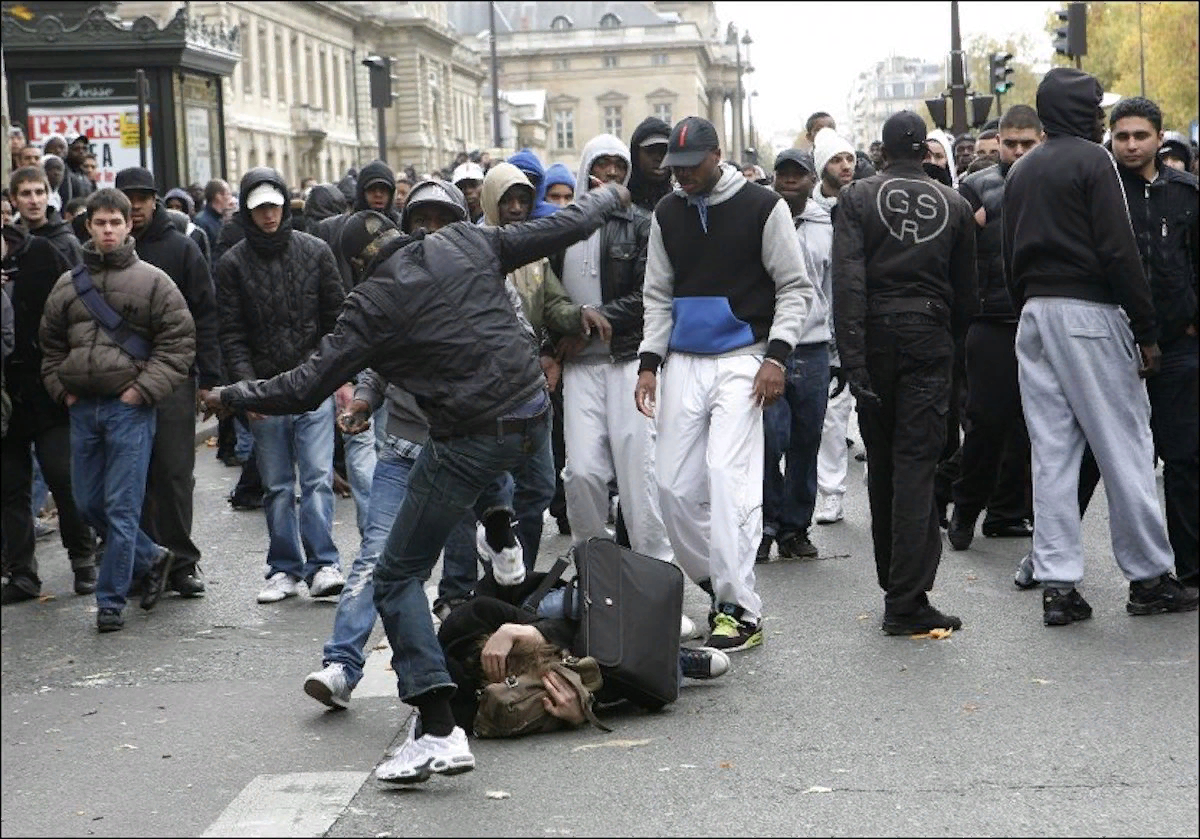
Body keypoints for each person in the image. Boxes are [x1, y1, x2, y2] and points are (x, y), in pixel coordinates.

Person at [203, 179, 632, 784]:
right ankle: (498, 527)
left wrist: (228, 394)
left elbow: (303, 386)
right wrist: (606, 197)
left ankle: (437, 729)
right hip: (533, 415)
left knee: (397, 573)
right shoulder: (464, 241)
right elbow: (559, 228)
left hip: (473, 433)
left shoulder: (369, 305)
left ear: (356, 265)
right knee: (465, 466)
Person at [1002, 68, 1197, 625]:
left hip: (1035, 314)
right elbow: (1119, 250)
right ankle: (1149, 578)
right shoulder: (1095, 161)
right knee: (1125, 444)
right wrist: (1146, 330)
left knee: (1054, 453)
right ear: (1080, 111)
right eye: (1094, 107)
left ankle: (1058, 585)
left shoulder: (1022, 169)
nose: (1099, 117)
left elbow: (1008, 254)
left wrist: (1032, 309)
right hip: (1090, 311)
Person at [635, 116, 815, 652]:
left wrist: (776, 358)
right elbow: (657, 296)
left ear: (718, 157)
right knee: (668, 488)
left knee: (727, 476)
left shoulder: (764, 207)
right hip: (684, 360)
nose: (681, 177)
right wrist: (648, 362)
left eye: (691, 167)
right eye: (675, 168)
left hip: (744, 357)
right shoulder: (667, 213)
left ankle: (741, 608)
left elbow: (794, 288)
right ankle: (718, 584)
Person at [831, 110, 977, 636]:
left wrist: (853, 359)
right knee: (917, 464)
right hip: (929, 338)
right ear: (924, 151)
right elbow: (967, 292)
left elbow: (848, 283)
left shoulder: (856, 198)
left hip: (874, 337)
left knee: (886, 466)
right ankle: (907, 597)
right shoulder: (956, 205)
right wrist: (953, 357)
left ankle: (894, 584)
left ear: (883, 150)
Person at [39, 188, 195, 632]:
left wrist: (142, 391)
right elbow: (48, 346)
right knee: (88, 503)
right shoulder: (67, 285)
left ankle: (110, 603)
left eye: (115, 223)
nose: (107, 231)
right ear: (88, 226)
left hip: (129, 409)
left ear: (129, 226)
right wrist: (62, 390)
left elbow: (179, 343)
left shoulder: (154, 281)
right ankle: (153, 556)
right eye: (100, 223)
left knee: (122, 507)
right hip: (82, 408)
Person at [214, 168, 348, 605]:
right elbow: (231, 333)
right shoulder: (233, 263)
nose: (268, 215)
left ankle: (324, 563)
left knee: (316, 479)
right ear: (247, 211)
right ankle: (284, 568)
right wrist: (247, 389)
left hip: (312, 385)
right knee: (275, 486)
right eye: (259, 208)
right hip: (266, 393)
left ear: (284, 204)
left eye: (273, 205)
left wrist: (332, 375)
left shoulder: (316, 251)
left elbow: (336, 319)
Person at [549, 134, 676, 574]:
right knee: (581, 473)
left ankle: (657, 579)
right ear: (586, 169)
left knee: (639, 477)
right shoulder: (563, 227)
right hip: (579, 370)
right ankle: (596, 576)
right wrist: (565, 333)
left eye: (619, 165)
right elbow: (548, 299)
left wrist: (589, 321)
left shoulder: (643, 224)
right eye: (601, 164)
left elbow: (648, 296)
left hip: (626, 362)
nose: (611, 173)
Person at [481, 161, 609, 566]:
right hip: (486, 393)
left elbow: (552, 303)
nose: (517, 208)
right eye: (508, 200)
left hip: (531, 389)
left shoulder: (534, 254)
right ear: (490, 202)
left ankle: (521, 579)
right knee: (496, 493)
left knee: (536, 487)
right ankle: (486, 581)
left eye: (523, 199)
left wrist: (579, 315)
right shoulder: (471, 246)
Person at [437, 563, 730, 734]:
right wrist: (577, 714)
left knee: (578, 611)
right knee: (623, 678)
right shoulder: (463, 710)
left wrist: (528, 631)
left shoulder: (467, 622)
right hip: (566, 652)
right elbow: (512, 722)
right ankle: (672, 658)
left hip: (543, 605)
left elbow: (565, 630)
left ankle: (652, 626)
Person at [117, 167, 221, 598]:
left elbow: (206, 313)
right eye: (129, 198)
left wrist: (209, 379)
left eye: (143, 197)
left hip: (175, 376)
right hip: (121, 379)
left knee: (175, 473)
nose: (137, 205)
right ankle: (142, 563)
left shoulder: (181, 249)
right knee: (130, 476)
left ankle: (181, 563)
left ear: (155, 200)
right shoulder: (104, 253)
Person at [1107, 96, 1198, 589]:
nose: (1131, 144)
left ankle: (1191, 565)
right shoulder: (1102, 190)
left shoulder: (1186, 193)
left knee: (1183, 457)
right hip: (1114, 343)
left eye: (1140, 135)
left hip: (1179, 346)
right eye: (1122, 136)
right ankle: (1054, 566)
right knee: (1115, 460)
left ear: (1159, 138)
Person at [946, 106, 1043, 552]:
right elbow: (953, 252)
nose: (1019, 151)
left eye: (1027, 143)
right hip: (990, 320)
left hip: (1040, 315)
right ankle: (964, 509)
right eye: (1011, 144)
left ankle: (1007, 513)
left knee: (1031, 424)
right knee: (986, 421)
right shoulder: (976, 186)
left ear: (1041, 140)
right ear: (999, 143)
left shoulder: (1052, 181)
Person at [760, 127, 850, 561]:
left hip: (814, 348)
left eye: (798, 173)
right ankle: (765, 522)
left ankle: (794, 529)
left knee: (805, 443)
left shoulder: (827, 223)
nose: (790, 179)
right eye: (783, 173)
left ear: (813, 179)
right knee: (769, 439)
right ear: (775, 178)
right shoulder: (760, 217)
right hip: (770, 348)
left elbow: (833, 287)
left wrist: (838, 352)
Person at [1, 219, 99, 605]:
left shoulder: (40, 253)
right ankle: (22, 573)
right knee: (11, 489)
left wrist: (70, 376)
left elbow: (75, 309)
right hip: (5, 401)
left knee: (63, 477)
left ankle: (83, 560)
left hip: (46, 390)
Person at [10, 166, 83, 268]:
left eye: (39, 193)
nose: (34, 201)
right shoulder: (9, 241)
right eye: (26, 194)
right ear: (13, 199)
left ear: (47, 196)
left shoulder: (67, 243)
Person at [628, 116, 673, 213]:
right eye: (650, 151)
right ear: (636, 155)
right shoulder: (622, 201)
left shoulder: (680, 202)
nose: (658, 158)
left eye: (664, 151)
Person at [507, 150, 559, 219]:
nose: (525, 187)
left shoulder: (554, 217)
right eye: (517, 182)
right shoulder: (497, 213)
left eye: (530, 181)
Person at [194, 179, 233, 255]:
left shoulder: (223, 219)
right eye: (228, 194)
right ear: (218, 196)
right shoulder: (201, 222)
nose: (231, 199)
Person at [61, 135, 95, 204]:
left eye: (84, 148)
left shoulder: (83, 175)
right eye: (76, 149)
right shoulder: (63, 173)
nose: (81, 152)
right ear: (66, 150)